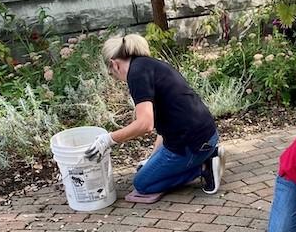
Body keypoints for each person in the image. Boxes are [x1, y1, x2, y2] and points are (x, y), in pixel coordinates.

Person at [84, 34, 225, 203]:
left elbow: (145, 124)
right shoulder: (150, 65)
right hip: (207, 136)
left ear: (114, 64)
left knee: (143, 183)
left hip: (191, 145)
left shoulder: (136, 75)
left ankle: (203, 167)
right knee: (144, 168)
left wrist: (108, 140)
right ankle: (207, 156)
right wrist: (152, 159)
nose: (116, 79)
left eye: (112, 74)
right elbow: (163, 128)